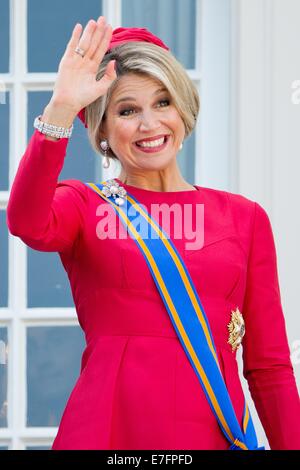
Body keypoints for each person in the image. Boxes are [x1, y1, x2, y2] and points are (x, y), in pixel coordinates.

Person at [6, 16, 300, 450]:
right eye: (127, 110)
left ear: (183, 108)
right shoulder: (85, 206)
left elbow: (269, 367)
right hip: (107, 434)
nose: (150, 125)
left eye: (163, 102)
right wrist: (62, 109)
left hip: (214, 436)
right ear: (102, 129)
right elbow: (26, 221)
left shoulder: (244, 217)